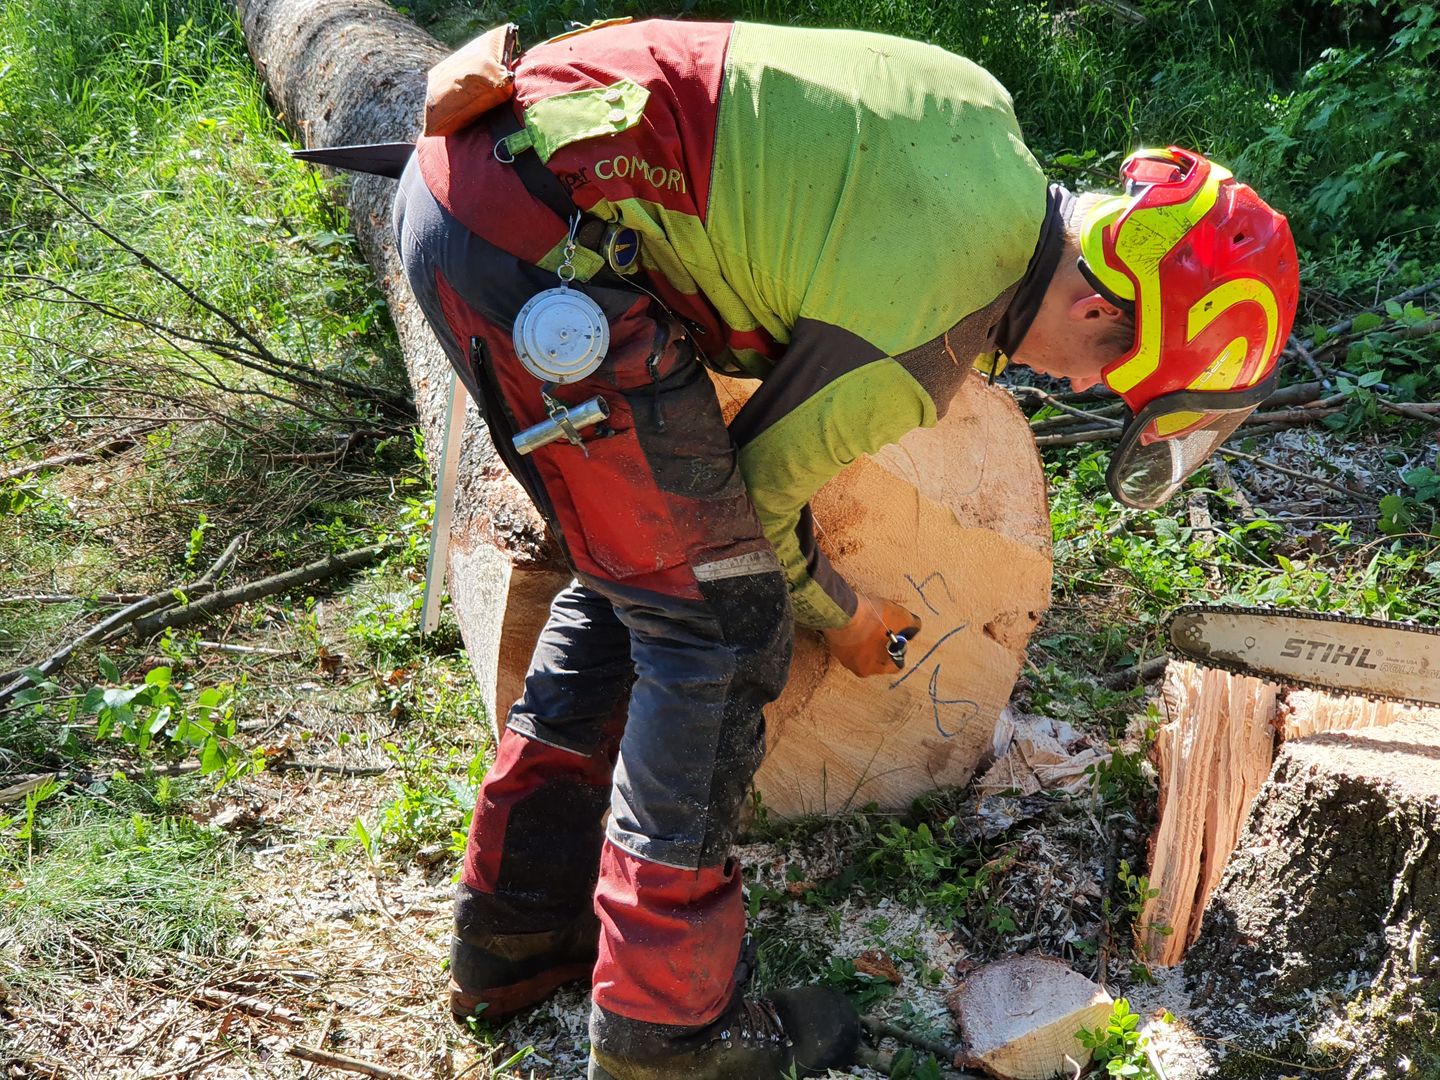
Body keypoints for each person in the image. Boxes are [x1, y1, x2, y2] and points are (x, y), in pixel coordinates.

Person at [387, 17, 1299, 1078]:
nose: (1088, 387)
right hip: (540, 256)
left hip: (486, 187)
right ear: (1098, 299)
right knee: (720, 627)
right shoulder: (938, 316)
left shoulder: (981, 120)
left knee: (647, 571)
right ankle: (665, 1030)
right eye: (1112, 365)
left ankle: (517, 940)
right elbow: (765, 505)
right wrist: (844, 611)